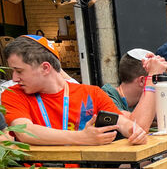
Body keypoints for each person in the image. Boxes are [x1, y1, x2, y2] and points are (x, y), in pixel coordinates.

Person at [2, 35, 147, 146]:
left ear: (45, 68)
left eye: (19, 71)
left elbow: (121, 122)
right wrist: (81, 137)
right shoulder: (12, 94)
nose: (14, 78)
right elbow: (25, 132)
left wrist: (134, 132)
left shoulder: (92, 93)